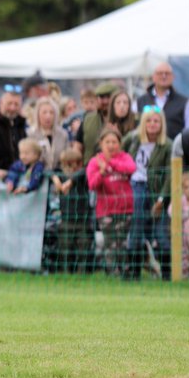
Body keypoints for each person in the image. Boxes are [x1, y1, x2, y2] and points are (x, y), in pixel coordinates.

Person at [122, 107, 172, 279]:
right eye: (148, 120)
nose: (152, 124)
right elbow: (120, 154)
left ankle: (167, 274)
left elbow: (170, 175)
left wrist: (162, 199)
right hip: (136, 186)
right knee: (136, 227)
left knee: (161, 232)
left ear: (162, 124)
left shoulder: (167, 145)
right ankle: (134, 272)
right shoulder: (133, 140)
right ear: (143, 123)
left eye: (156, 121)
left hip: (157, 191)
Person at [86, 127, 137, 278]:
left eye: (114, 142)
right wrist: (102, 172)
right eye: (107, 142)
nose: (111, 145)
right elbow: (92, 185)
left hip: (125, 209)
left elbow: (131, 168)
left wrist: (111, 164)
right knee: (110, 243)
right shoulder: (94, 162)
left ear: (119, 144)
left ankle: (124, 272)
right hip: (105, 211)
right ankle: (112, 273)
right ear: (101, 144)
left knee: (122, 242)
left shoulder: (125, 157)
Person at [51, 148, 93, 273]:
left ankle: (82, 273)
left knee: (83, 248)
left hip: (83, 220)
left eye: (75, 164)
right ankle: (65, 273)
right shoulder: (60, 176)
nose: (72, 168)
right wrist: (55, 178)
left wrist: (71, 181)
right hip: (66, 220)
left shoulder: (83, 177)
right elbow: (47, 171)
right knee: (65, 248)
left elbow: (84, 171)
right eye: (67, 165)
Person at [135, 61, 189, 139]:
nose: (164, 76)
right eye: (160, 73)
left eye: (167, 73)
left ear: (173, 77)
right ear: (153, 76)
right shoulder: (139, 101)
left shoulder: (185, 103)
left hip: (174, 146)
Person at [77, 83, 116, 162]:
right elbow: (78, 146)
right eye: (102, 97)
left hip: (117, 166)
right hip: (89, 165)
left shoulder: (124, 121)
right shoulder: (87, 120)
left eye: (108, 97)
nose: (105, 101)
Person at [28, 97, 68, 170]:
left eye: (51, 112)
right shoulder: (30, 134)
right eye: (44, 112)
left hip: (59, 173)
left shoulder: (63, 134)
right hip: (37, 173)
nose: (48, 116)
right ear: (38, 115)